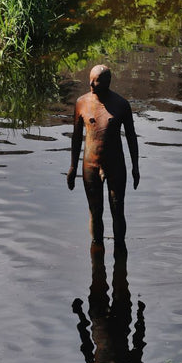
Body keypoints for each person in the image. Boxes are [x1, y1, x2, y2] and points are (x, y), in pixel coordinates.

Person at [66, 64, 140, 249]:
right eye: (90, 79)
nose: (91, 83)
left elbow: (131, 137)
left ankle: (120, 253)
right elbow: (76, 137)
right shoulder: (82, 103)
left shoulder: (121, 105)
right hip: (90, 165)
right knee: (95, 211)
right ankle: (96, 257)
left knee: (117, 209)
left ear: (107, 82)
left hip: (115, 165)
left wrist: (135, 167)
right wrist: (73, 167)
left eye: (96, 80)